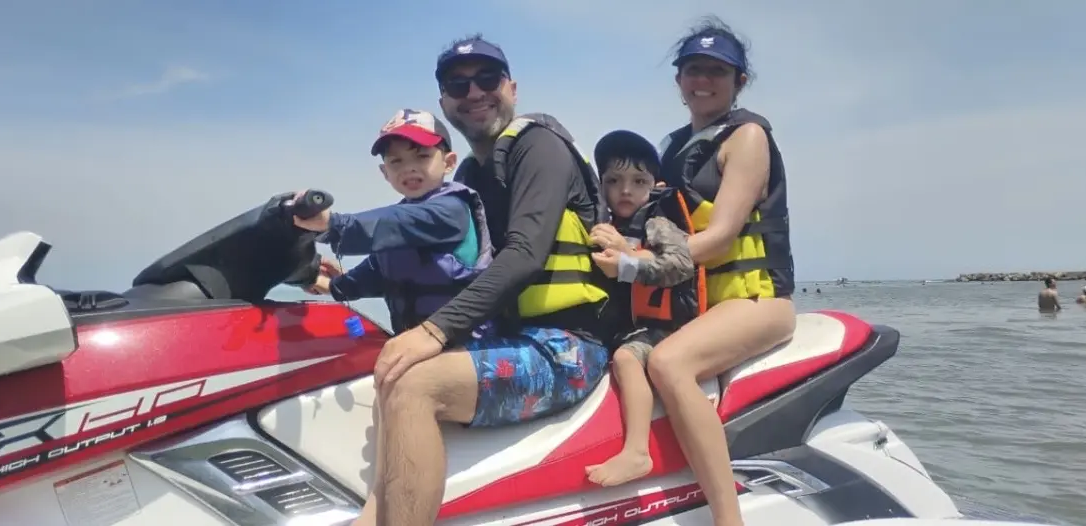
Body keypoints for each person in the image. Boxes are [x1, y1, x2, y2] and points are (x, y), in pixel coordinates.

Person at [340, 34, 612, 526]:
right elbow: (417, 262)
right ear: (445, 101)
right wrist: (326, 282)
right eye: (458, 85)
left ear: (511, 87)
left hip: (566, 346)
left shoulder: (539, 148)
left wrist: (433, 331)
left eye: (487, 79)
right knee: (388, 369)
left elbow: (526, 254)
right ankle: (373, 513)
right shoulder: (470, 175)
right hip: (507, 339)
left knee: (415, 383)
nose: (474, 93)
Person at [609, 17, 798, 526]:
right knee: (624, 352)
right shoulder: (670, 149)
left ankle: (727, 517)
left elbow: (720, 236)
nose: (703, 80)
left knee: (669, 363)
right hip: (699, 304)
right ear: (678, 81)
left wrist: (635, 264)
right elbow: (649, 227)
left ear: (739, 81)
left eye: (717, 71)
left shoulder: (748, 138)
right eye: (693, 69)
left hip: (757, 301)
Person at [297, 109, 495, 337]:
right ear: (385, 172)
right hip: (419, 346)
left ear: (448, 163)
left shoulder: (451, 210)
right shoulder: (399, 227)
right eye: (396, 161)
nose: (408, 167)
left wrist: (333, 224)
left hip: (469, 345)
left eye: (422, 156)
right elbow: (373, 276)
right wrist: (325, 282)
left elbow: (398, 223)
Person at [584, 130, 701, 486]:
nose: (625, 190)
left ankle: (637, 452)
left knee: (625, 358)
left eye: (638, 181)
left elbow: (682, 264)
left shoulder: (657, 222)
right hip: (628, 327)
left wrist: (627, 258)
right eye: (614, 181)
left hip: (669, 328)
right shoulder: (600, 223)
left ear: (655, 184)